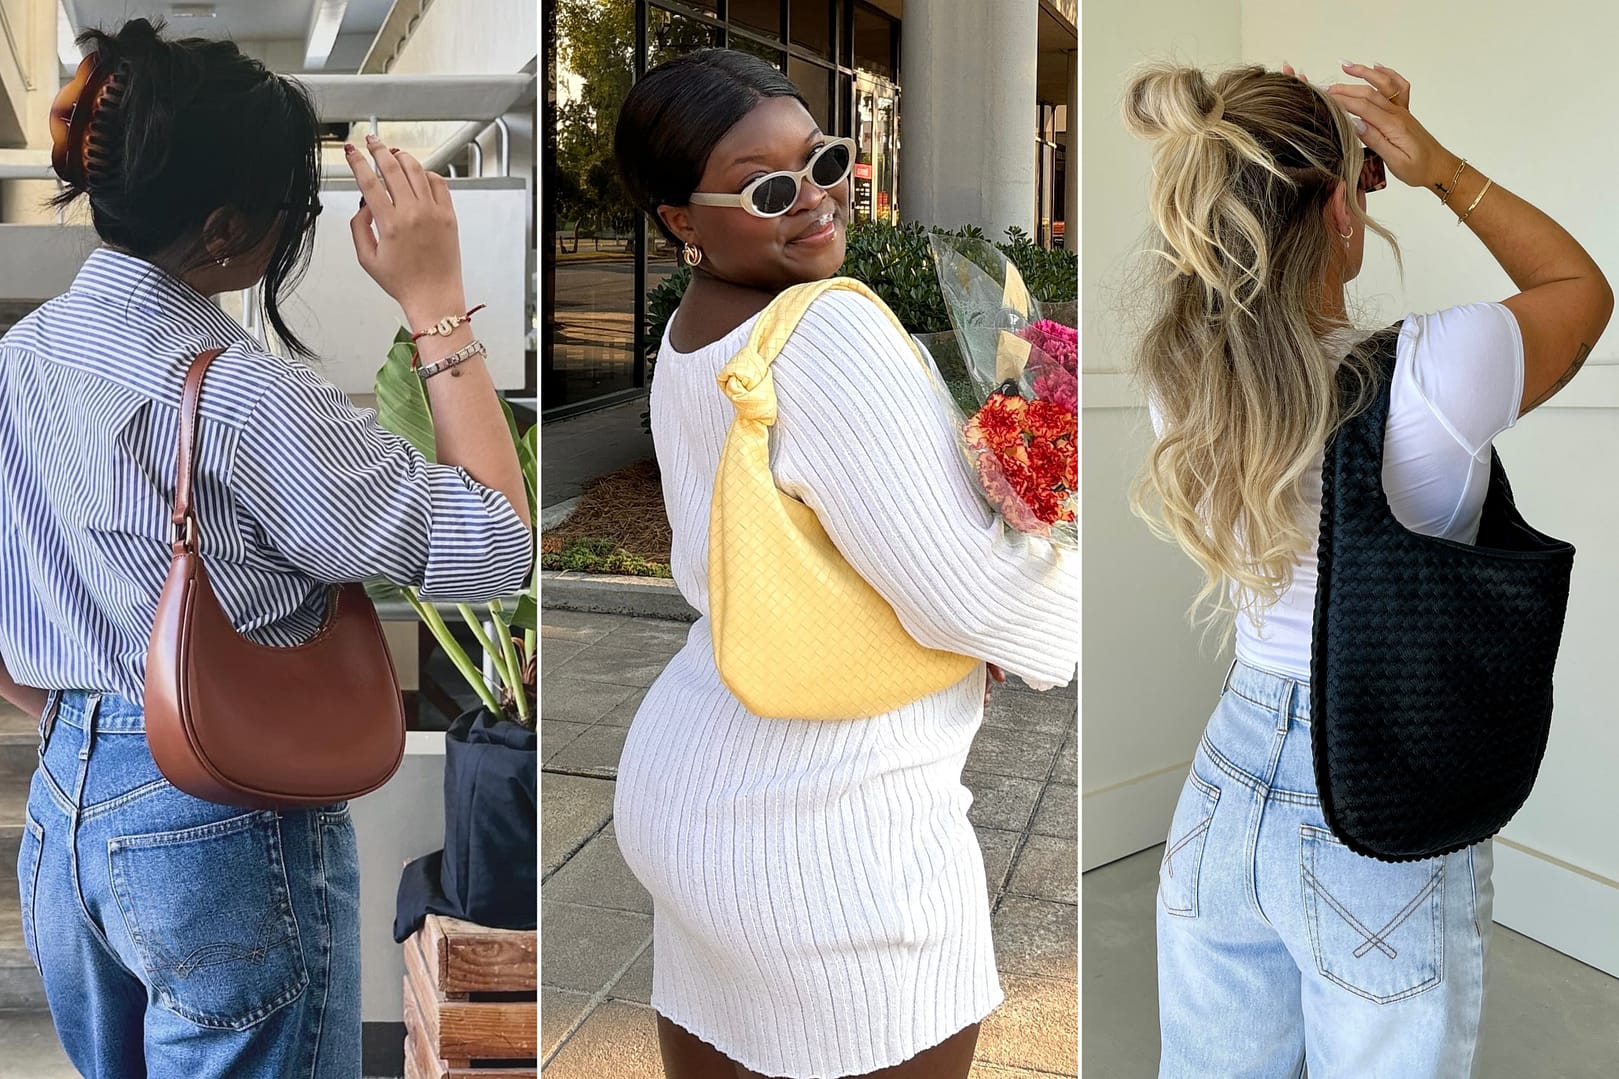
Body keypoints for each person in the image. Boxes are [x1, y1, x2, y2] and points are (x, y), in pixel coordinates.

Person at [4, 19, 531, 1077]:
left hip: (64, 810)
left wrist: (88, 707)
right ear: (224, 230)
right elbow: (497, 541)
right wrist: (433, 299)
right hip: (215, 813)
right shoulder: (246, 398)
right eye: (294, 213)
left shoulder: (23, 354)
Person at [1125, 60, 1611, 1078]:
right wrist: (1436, 168)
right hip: (1379, 791)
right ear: (1344, 205)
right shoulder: (1434, 375)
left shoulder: (1180, 375)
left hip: (1222, 779)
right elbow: (1580, 289)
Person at [609, 48, 1080, 1079]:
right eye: (766, 187)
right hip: (827, 824)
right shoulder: (826, 331)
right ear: (680, 222)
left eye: (822, 157)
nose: (815, 197)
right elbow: (965, 586)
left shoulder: (695, 332)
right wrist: (1067, 599)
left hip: (697, 775)